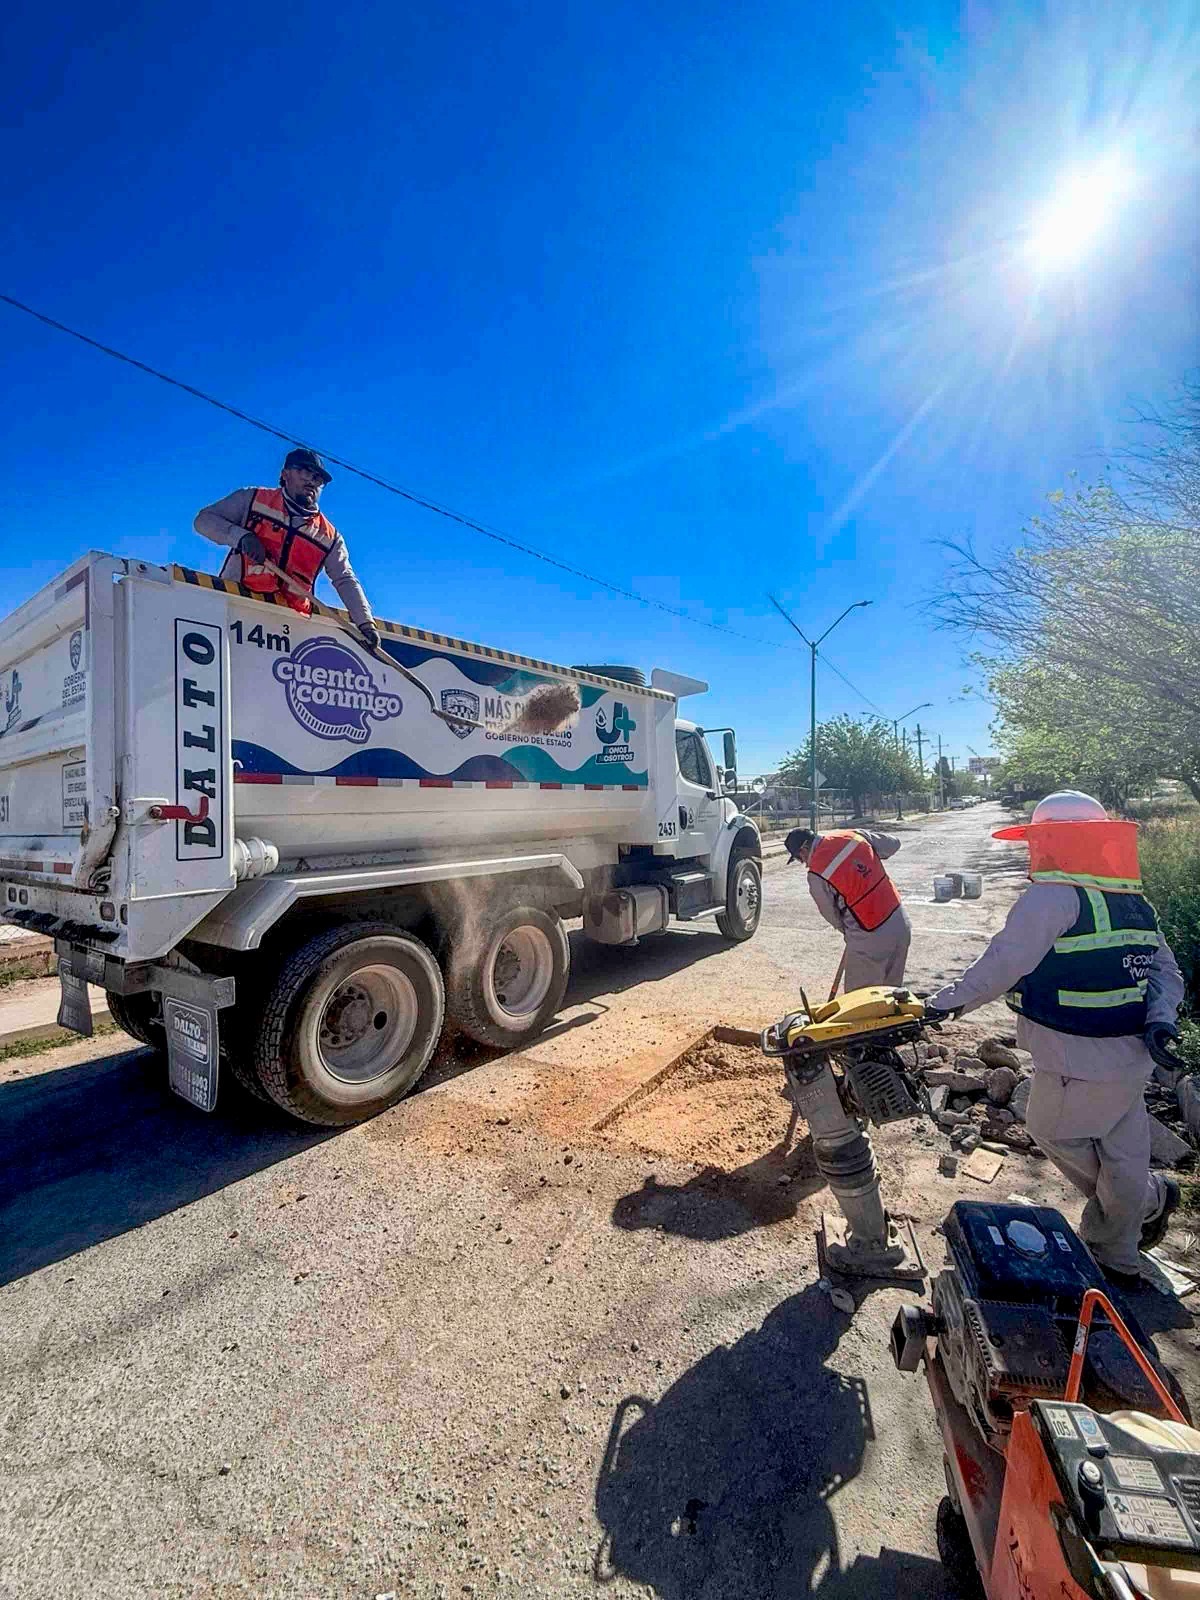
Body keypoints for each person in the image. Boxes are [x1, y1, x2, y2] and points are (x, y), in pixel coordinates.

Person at [927, 790, 1183, 1288]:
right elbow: (1164, 970)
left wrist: (942, 1005)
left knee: (1051, 1129)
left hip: (1078, 1053)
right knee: (1123, 1147)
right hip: (1131, 1054)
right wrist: (1161, 1019)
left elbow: (1004, 963)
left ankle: (1127, 1228)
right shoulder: (1133, 900)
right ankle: (1130, 1233)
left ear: (1053, 842)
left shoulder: (1053, 896)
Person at [194, 447, 379, 647]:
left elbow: (344, 579)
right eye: (304, 471)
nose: (311, 481)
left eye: (318, 478)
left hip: (288, 627)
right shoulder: (252, 499)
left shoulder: (330, 536)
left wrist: (365, 623)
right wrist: (242, 537)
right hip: (238, 606)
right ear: (285, 474)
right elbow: (204, 520)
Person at [784, 825, 911, 988]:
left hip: (869, 934)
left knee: (860, 1001)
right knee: (893, 995)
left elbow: (831, 915)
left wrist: (849, 933)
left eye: (799, 858)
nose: (804, 863)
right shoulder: (852, 836)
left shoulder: (816, 874)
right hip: (900, 922)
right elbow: (893, 844)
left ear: (804, 849)